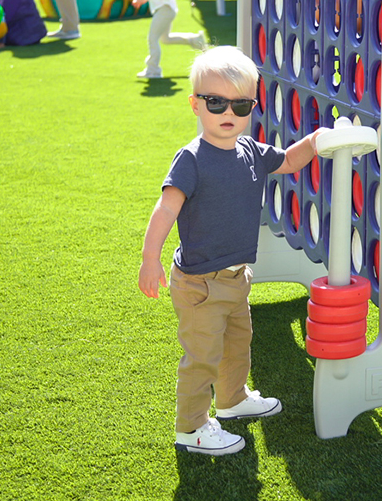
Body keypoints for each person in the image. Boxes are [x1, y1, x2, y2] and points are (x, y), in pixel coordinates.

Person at [138, 46, 327, 455]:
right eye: (215, 101)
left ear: (251, 107)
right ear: (195, 105)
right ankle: (191, 428)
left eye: (240, 105)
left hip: (236, 277)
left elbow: (291, 162)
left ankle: (232, 399)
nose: (228, 112)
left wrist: (313, 141)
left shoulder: (252, 153)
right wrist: (149, 259)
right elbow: (166, 207)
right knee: (202, 357)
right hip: (200, 283)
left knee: (238, 344)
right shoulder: (192, 159)